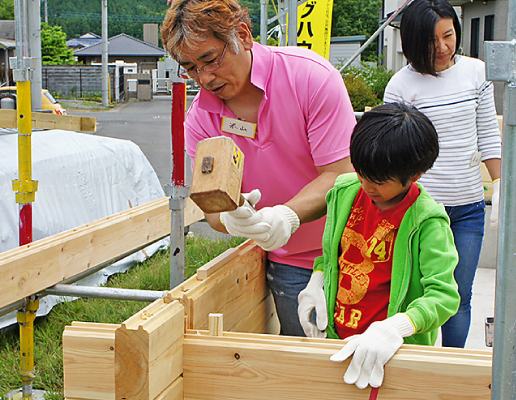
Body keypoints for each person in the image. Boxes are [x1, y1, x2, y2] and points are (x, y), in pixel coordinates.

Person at [161, 0, 356, 336]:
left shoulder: (309, 77)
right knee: (303, 365)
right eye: (190, 68)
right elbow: (213, 207)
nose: (204, 78)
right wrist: (233, 219)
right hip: (289, 259)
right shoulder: (201, 120)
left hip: (352, 246)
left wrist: (287, 215)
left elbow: (341, 173)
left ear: (243, 35)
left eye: (210, 60)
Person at [298, 102, 460, 389]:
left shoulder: (428, 221)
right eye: (362, 174)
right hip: (338, 341)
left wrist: (395, 328)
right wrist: (317, 281)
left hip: (392, 353)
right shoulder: (345, 192)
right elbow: (331, 253)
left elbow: (443, 296)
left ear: (414, 176)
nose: (367, 186)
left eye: (379, 181)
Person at [383, 0, 502, 348]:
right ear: (413, 42)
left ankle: (451, 366)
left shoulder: (476, 72)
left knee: (458, 296)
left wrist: (501, 184)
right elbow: (397, 151)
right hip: (418, 210)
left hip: (467, 208)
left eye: (448, 35)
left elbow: (488, 135)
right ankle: (411, 363)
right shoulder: (401, 86)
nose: (443, 47)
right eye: (431, 41)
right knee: (411, 292)